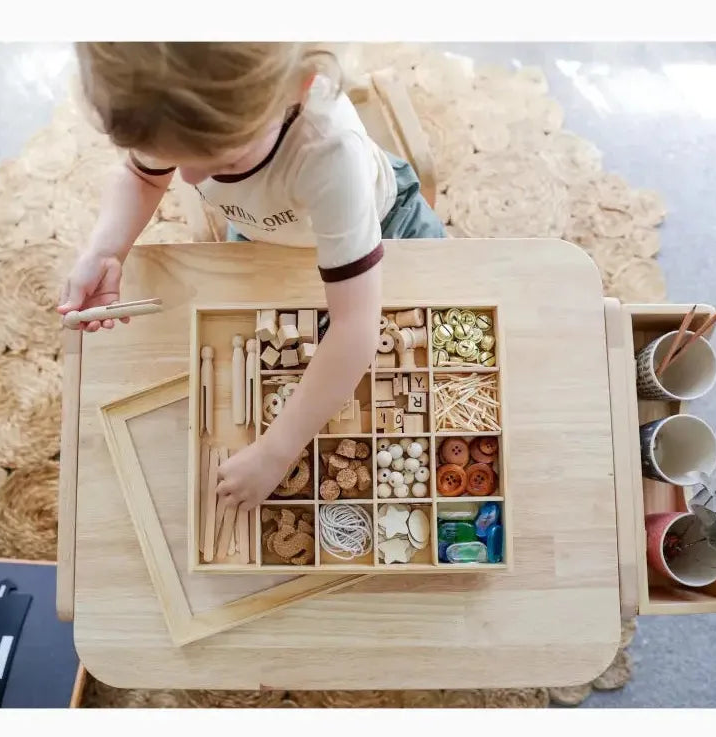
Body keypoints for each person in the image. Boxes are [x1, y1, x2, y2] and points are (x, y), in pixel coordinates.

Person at [57, 42, 445, 512]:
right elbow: (143, 177)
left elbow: (356, 328)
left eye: (221, 161)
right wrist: (105, 249)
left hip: (384, 225)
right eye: (177, 157)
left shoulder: (328, 151)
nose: (190, 176)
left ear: (297, 90)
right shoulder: (173, 108)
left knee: (440, 311)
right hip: (270, 236)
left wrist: (277, 452)